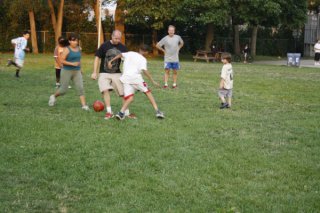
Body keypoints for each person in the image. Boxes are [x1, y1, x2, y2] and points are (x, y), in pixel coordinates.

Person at [107, 45, 165, 120]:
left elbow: (120, 54)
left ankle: (121, 113)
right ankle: (158, 111)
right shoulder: (143, 59)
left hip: (126, 79)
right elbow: (144, 70)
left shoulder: (130, 53)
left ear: (139, 49)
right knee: (147, 92)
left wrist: (111, 61)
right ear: (146, 52)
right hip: (135, 78)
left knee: (130, 98)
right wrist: (152, 81)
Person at [91, 30, 135, 119]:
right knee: (105, 90)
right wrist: (94, 72)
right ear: (111, 36)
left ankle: (126, 112)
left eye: (119, 39)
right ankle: (109, 112)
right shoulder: (104, 45)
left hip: (116, 73)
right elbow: (97, 58)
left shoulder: (123, 47)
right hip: (104, 72)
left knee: (123, 93)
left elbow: (128, 61)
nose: (117, 40)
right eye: (115, 38)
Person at [48, 33, 89, 111]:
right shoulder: (67, 49)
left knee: (80, 88)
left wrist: (81, 69)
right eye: (73, 41)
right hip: (66, 70)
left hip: (77, 71)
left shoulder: (79, 48)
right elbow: (61, 60)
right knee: (63, 90)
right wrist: (72, 63)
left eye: (76, 41)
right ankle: (53, 96)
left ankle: (84, 106)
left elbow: (79, 59)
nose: (75, 42)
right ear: (69, 41)